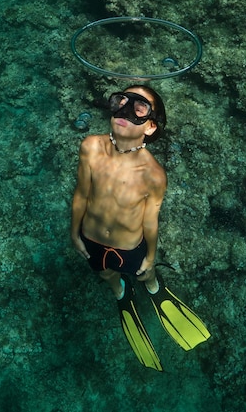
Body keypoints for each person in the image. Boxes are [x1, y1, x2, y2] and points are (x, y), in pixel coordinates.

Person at [71, 85, 210, 371]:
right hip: (92, 241)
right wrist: (75, 232)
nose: (125, 110)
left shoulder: (153, 174)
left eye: (139, 107)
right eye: (121, 101)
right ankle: (121, 293)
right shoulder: (90, 147)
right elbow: (82, 193)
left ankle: (153, 287)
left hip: (130, 247)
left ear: (150, 127)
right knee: (104, 272)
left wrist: (150, 257)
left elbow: (150, 220)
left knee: (144, 273)